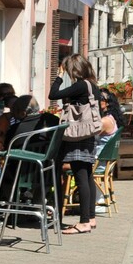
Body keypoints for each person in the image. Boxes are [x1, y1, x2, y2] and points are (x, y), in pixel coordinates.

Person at [49, 54, 102, 234]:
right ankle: (91, 218)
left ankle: (84, 222)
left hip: (77, 134)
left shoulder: (80, 86)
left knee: (80, 175)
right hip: (89, 133)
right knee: (87, 175)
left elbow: (53, 95)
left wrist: (58, 75)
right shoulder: (93, 86)